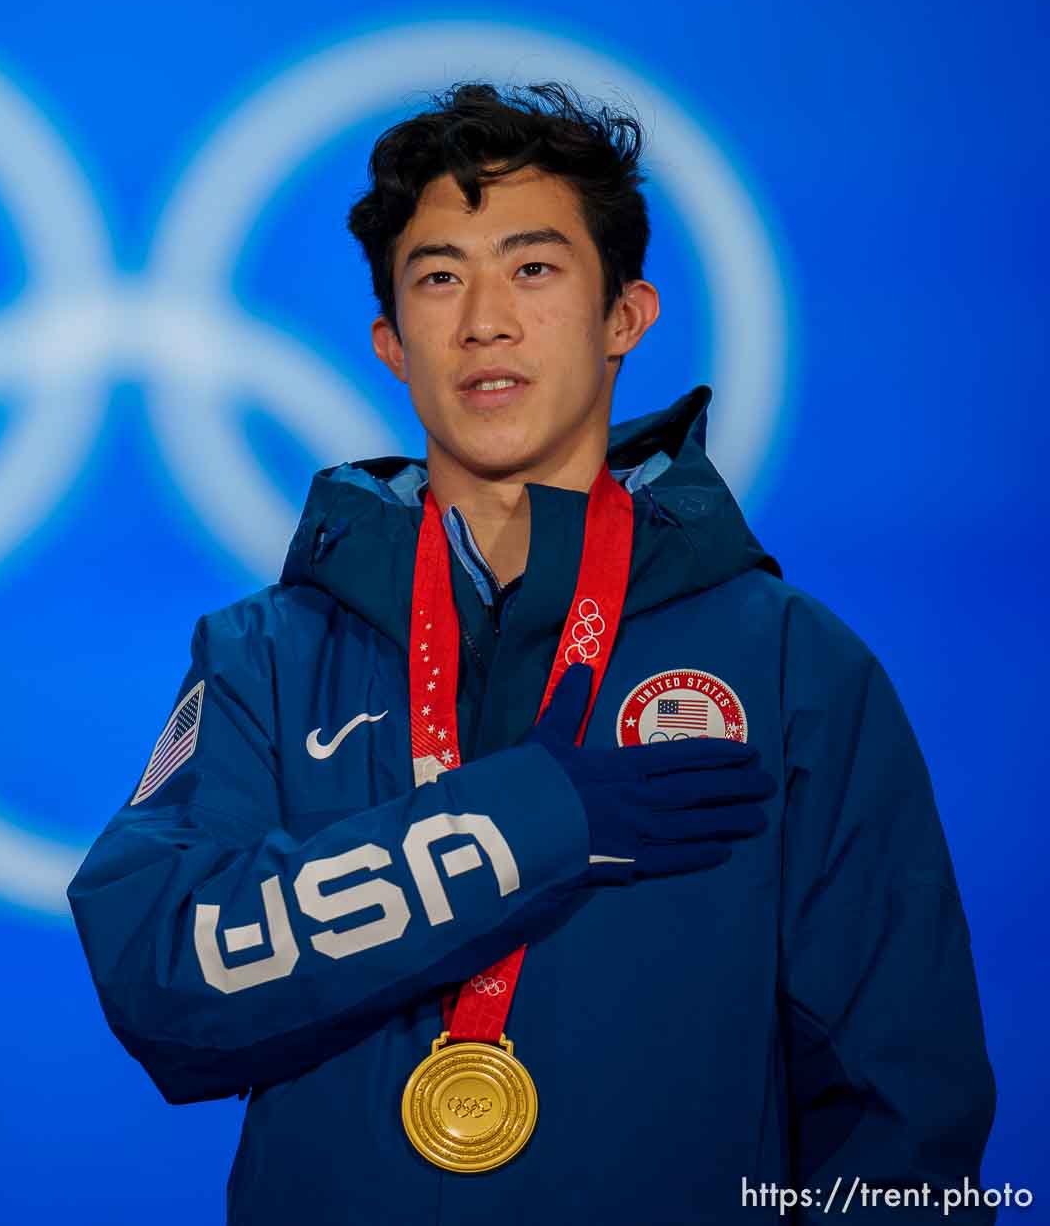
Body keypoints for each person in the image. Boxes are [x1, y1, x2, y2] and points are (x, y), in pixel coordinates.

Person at [66, 82, 996, 1223]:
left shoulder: (791, 665)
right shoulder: (265, 651)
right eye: (439, 276)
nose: (484, 321)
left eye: (534, 268)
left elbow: (902, 1117)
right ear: (390, 342)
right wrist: (527, 823)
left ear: (626, 317)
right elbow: (161, 973)